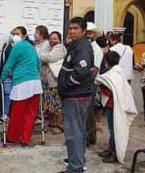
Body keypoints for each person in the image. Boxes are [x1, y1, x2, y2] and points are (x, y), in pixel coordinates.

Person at [58, 17, 96, 173]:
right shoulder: (76, 46)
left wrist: (66, 85)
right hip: (73, 95)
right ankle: (76, 164)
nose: (72, 31)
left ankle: (75, 168)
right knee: (76, 132)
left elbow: (81, 72)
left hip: (75, 96)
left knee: (74, 134)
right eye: (70, 28)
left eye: (75, 28)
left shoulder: (83, 48)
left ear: (84, 31)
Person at [0, 25, 42, 147]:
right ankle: (25, 139)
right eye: (13, 33)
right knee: (30, 114)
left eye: (17, 33)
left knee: (17, 113)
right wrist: (35, 76)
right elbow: (38, 64)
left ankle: (12, 137)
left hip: (22, 83)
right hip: (35, 83)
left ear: (24, 35)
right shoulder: (31, 47)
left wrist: (1, 79)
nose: (14, 36)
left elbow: (8, 66)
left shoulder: (17, 47)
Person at [96, 51, 138, 164]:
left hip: (114, 106)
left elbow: (111, 91)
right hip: (113, 105)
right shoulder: (117, 73)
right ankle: (110, 149)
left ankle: (114, 153)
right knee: (113, 129)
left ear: (106, 62)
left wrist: (101, 87)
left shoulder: (112, 75)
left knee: (115, 130)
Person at [40, 30, 66, 134]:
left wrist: (41, 55)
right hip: (47, 82)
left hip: (55, 82)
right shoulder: (49, 48)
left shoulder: (60, 48)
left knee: (57, 104)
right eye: (51, 38)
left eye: (55, 38)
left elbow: (50, 58)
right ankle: (52, 123)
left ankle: (59, 125)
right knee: (49, 104)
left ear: (59, 40)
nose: (52, 40)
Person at [84, 22, 105, 146]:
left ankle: (88, 138)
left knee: (87, 113)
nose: (88, 35)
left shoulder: (95, 49)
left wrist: (87, 83)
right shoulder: (85, 47)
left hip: (89, 83)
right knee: (88, 113)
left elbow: (95, 68)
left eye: (90, 33)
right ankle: (90, 137)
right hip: (85, 83)